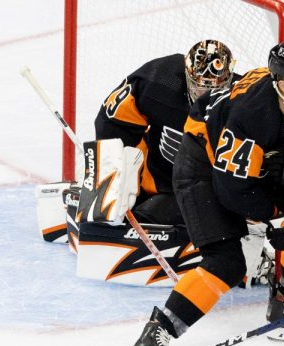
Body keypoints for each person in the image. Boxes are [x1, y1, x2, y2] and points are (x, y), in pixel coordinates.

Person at [130, 37, 284, 346]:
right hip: (202, 163)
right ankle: (153, 338)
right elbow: (232, 192)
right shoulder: (251, 115)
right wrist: (277, 215)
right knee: (226, 263)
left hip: (249, 166)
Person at [94, 39, 236, 225]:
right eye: (199, 87)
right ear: (187, 76)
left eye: (214, 89)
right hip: (152, 184)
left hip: (205, 197)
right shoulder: (159, 80)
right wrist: (116, 176)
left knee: (146, 217)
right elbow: (113, 120)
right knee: (116, 215)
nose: (205, 96)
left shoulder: (243, 101)